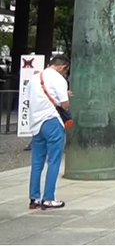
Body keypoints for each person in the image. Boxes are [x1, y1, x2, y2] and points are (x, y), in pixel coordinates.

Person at [27, 55, 70, 210]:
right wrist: (66, 97)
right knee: (54, 160)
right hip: (52, 120)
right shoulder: (59, 79)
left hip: (36, 122)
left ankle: (34, 198)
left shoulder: (34, 78)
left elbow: (29, 99)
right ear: (63, 67)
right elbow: (64, 105)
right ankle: (49, 198)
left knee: (37, 162)